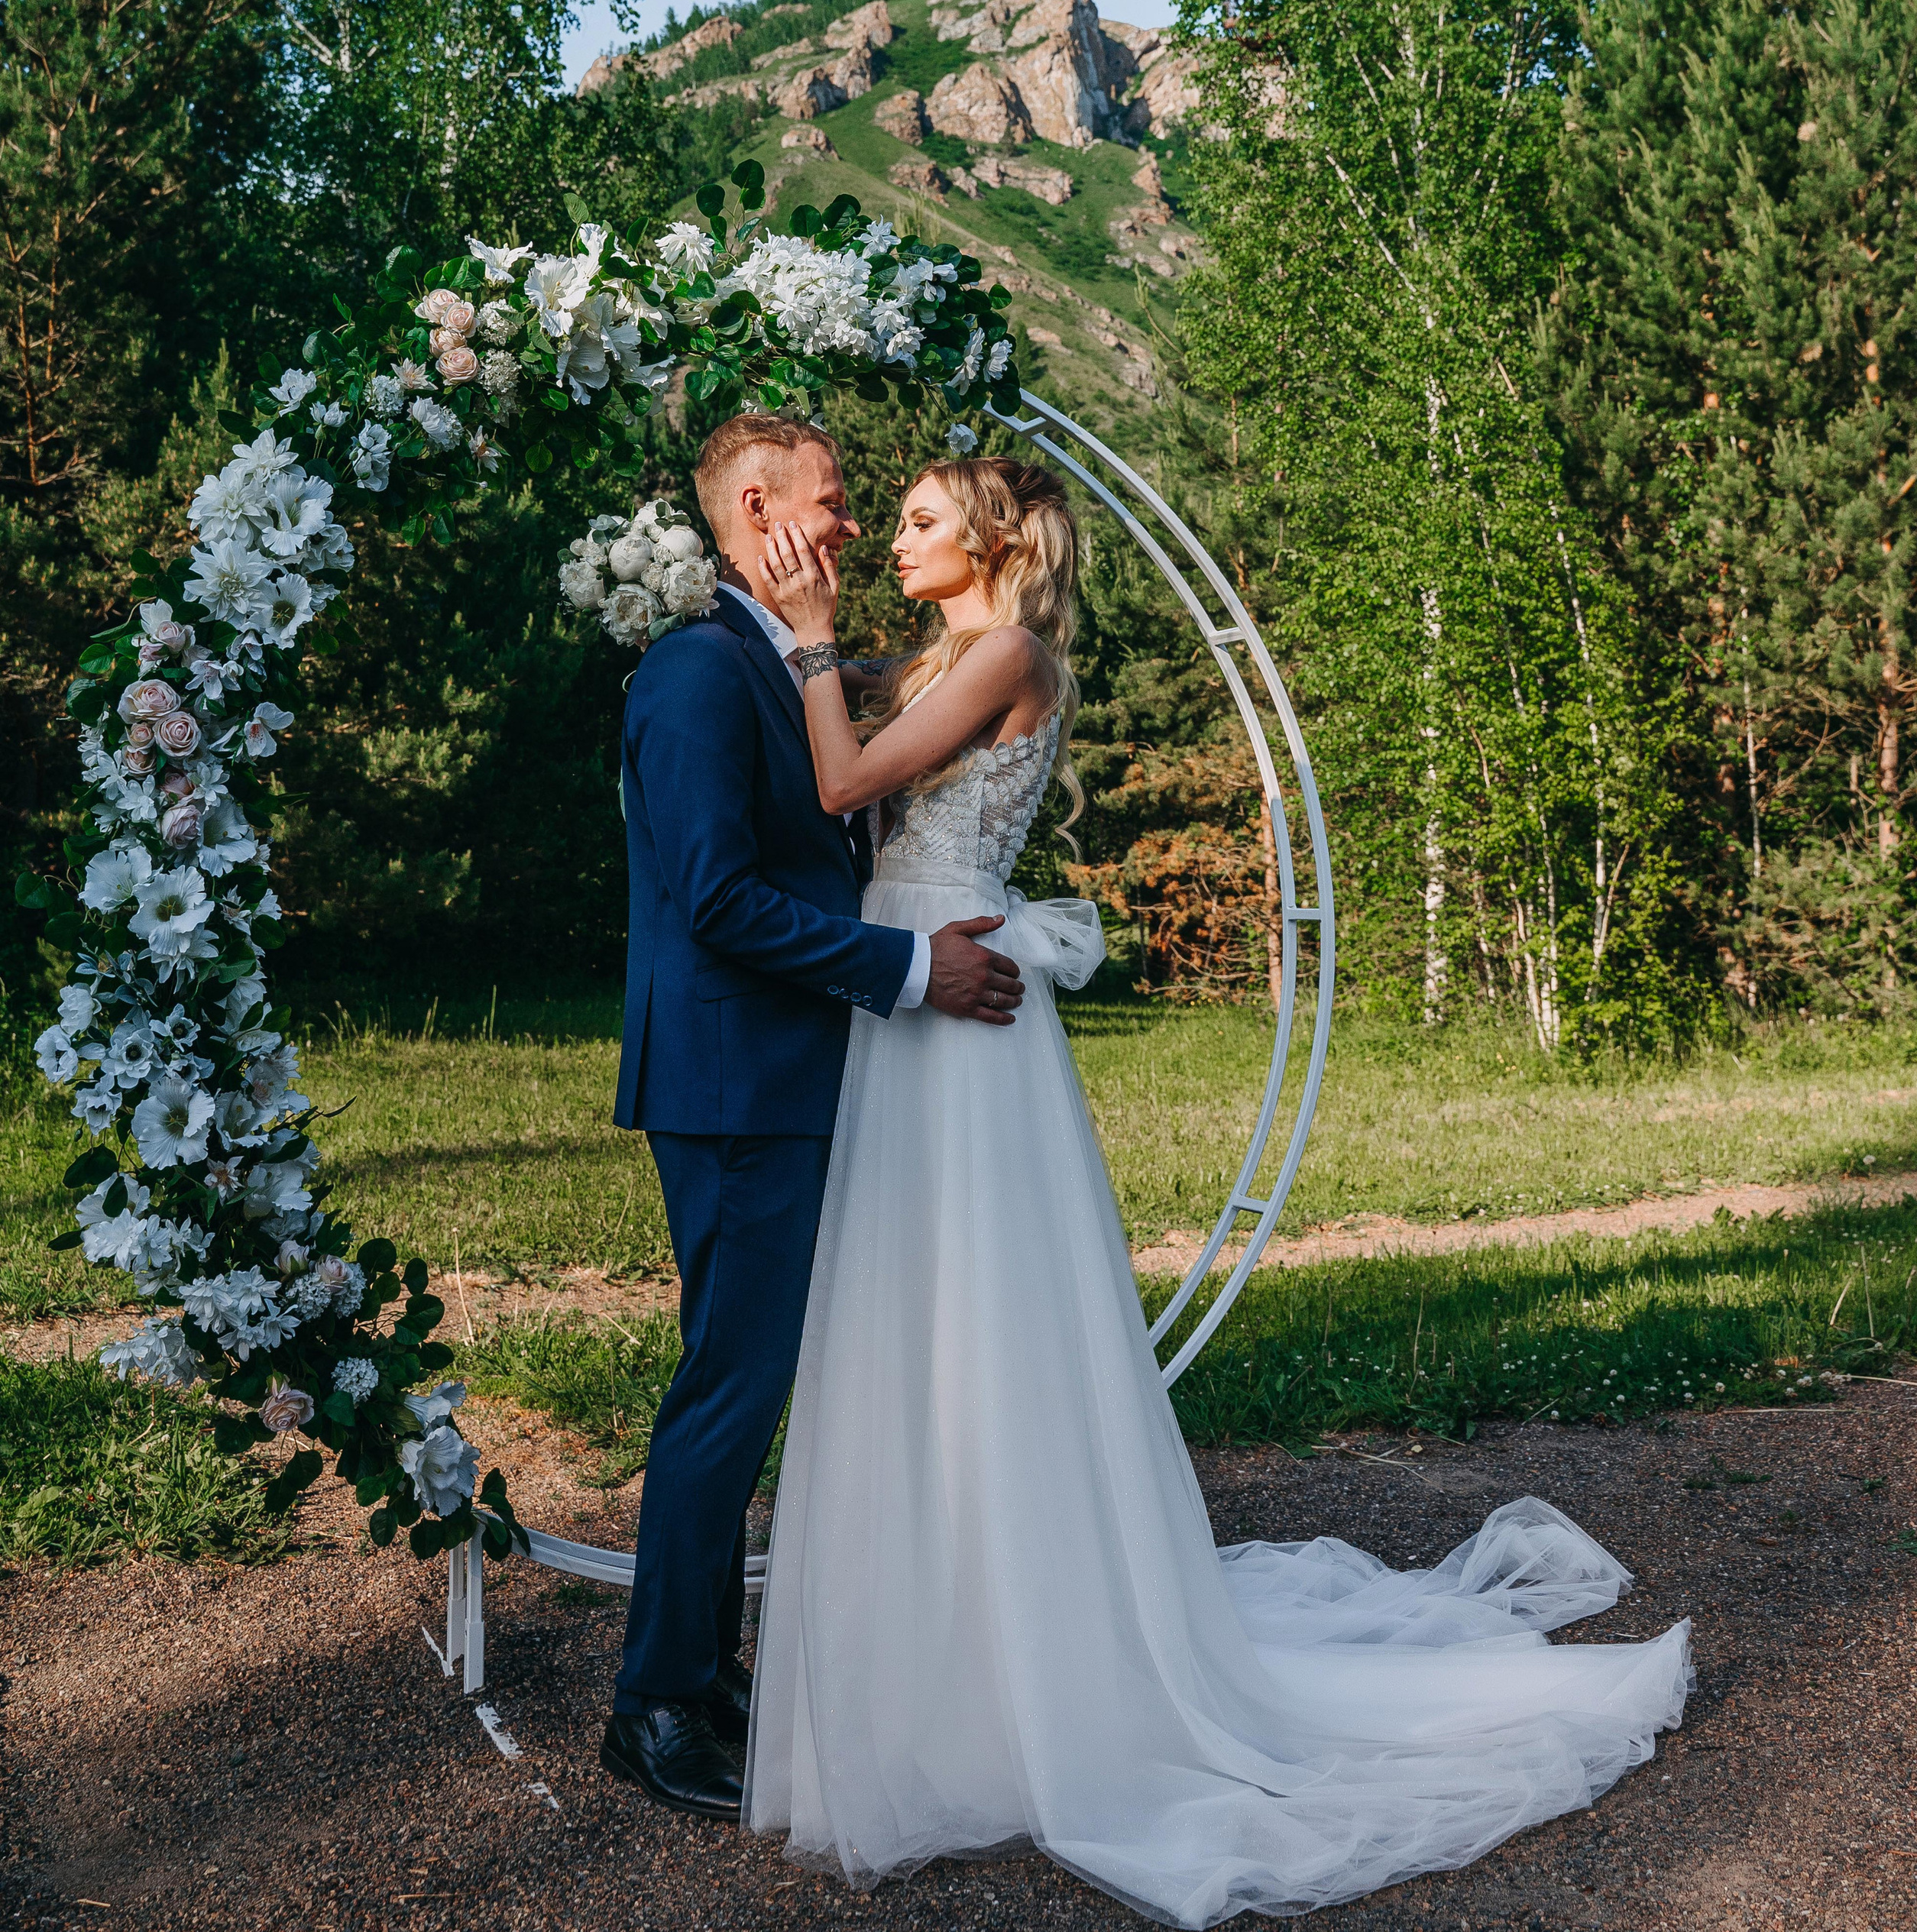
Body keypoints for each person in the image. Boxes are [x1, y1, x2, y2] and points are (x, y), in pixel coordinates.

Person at [746, 451, 1694, 1927]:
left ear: (994, 539)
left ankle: (1017, 1657)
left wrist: (807, 648)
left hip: (952, 1002)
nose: (899, 542)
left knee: (978, 1318)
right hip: (918, 991)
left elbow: (844, 779)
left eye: (925, 521)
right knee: (914, 1323)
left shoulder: (1006, 651)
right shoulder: (958, 649)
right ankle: (947, 1637)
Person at [602, 415, 1025, 1822]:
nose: (846, 528)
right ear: (761, 508)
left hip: (789, 1077)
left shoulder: (782, 665)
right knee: (730, 1389)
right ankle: (654, 1706)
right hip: (735, 1085)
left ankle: (707, 1671)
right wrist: (911, 968)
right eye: (837, 504)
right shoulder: (693, 672)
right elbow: (717, 900)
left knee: (749, 1380)